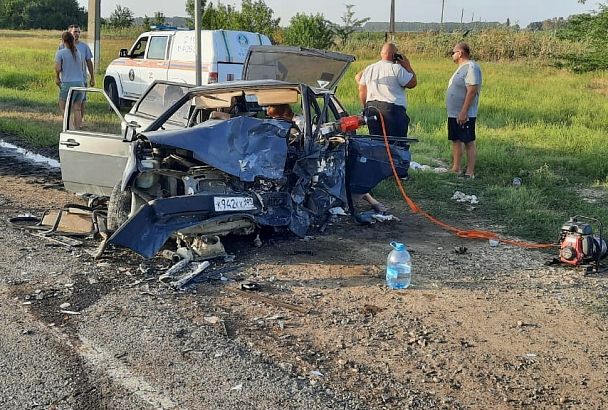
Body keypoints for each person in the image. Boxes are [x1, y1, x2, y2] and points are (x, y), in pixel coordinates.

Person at [356, 42, 417, 138]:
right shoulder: (397, 68)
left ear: (381, 54)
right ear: (395, 55)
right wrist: (407, 66)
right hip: (392, 111)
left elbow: (360, 85)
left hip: (372, 109)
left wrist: (366, 108)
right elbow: (412, 83)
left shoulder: (369, 68)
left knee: (377, 143)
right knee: (397, 144)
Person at [446, 41, 482, 179]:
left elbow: (472, 91)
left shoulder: (471, 68)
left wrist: (464, 111)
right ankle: (456, 167)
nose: (452, 55)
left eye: (453, 52)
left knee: (468, 141)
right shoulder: (461, 68)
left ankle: (470, 171)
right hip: (454, 113)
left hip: (465, 113)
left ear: (460, 53)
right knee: (456, 139)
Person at [59, 25, 95, 120]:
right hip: (66, 79)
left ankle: (79, 123)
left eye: (79, 32)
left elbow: (89, 62)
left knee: (81, 102)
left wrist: (92, 77)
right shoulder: (62, 46)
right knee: (66, 102)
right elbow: (59, 62)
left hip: (81, 78)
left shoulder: (84, 47)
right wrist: (58, 77)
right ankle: (68, 122)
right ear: (69, 33)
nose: (77, 34)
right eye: (75, 32)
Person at [55, 31, 86, 130]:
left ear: (63, 41)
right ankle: (77, 128)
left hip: (68, 84)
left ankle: (70, 128)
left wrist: (57, 77)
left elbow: (58, 68)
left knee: (64, 107)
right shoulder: (78, 53)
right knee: (77, 108)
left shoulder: (60, 53)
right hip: (80, 83)